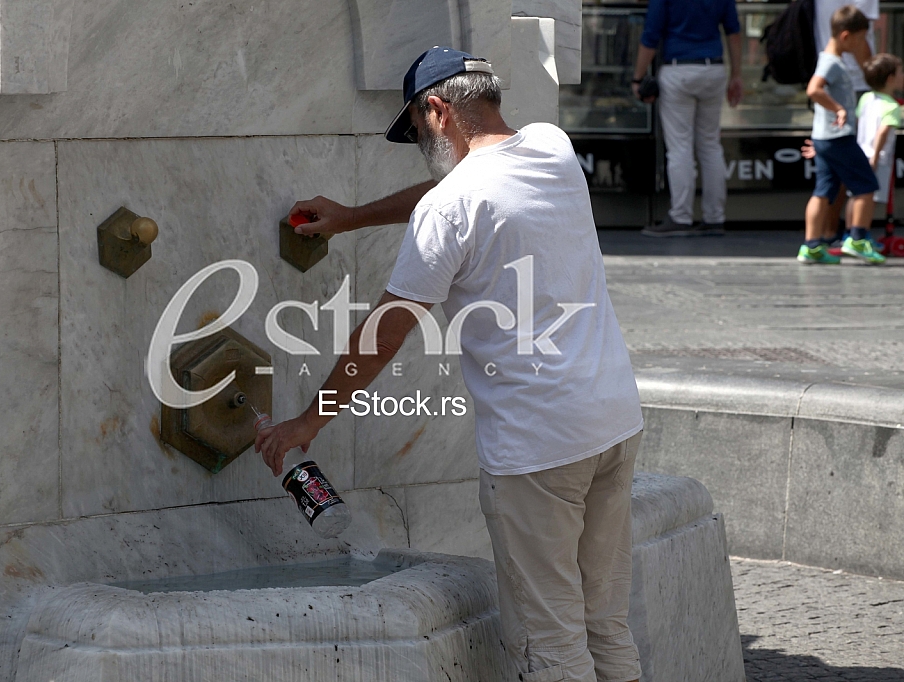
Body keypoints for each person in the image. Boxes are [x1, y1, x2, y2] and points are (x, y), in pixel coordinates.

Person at [257, 47, 646, 682]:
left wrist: (309, 421)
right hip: (613, 423)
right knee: (606, 624)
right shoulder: (551, 146)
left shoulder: (450, 208)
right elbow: (456, 190)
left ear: (437, 110)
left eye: (416, 129)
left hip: (538, 451)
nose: (420, 144)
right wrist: (353, 219)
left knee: (551, 645)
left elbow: (384, 334)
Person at [632, 0, 743, 237]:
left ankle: (681, 216)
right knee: (710, 145)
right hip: (714, 70)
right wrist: (736, 74)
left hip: (678, 70)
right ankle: (714, 218)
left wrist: (638, 78)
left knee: (680, 147)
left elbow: (651, 35)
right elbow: (733, 31)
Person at [799, 5, 885, 265]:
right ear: (846, 36)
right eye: (861, 39)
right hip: (838, 137)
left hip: (825, 137)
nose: (861, 45)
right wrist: (838, 109)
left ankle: (811, 245)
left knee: (824, 190)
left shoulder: (828, 60)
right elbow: (814, 90)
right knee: (866, 186)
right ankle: (857, 238)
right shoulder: (832, 63)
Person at [852, 54, 903, 223]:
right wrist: (874, 158)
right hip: (878, 159)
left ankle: (851, 233)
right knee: (869, 199)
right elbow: (882, 132)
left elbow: (858, 122)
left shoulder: (865, 98)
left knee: (856, 195)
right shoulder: (892, 106)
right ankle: (860, 233)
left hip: (860, 153)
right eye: (901, 72)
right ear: (890, 79)